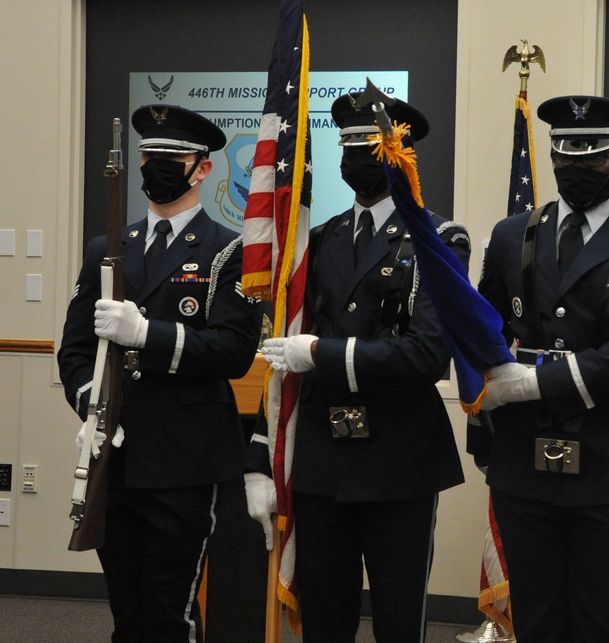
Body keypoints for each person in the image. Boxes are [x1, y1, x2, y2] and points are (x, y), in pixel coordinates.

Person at [244, 93, 468, 643]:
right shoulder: (319, 241)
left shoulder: (439, 239)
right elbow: (283, 352)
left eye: (368, 146)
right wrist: (259, 451)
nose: (355, 160)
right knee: (323, 619)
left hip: (398, 455)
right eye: (346, 146)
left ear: (400, 151)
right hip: (323, 456)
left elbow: (427, 353)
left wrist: (323, 353)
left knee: (398, 618)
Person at [471, 95, 609, 643]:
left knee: (601, 622)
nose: (577, 168)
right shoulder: (511, 235)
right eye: (565, 156)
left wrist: (536, 380)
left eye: (593, 156)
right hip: (524, 459)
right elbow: (482, 331)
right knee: (537, 620)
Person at [58, 104, 264, 643]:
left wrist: (148, 334)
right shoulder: (107, 249)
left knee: (170, 614)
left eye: (173, 158)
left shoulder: (231, 250)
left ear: (203, 169)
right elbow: (75, 352)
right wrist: (92, 407)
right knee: (126, 612)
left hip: (185, 459)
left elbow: (233, 351)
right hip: (117, 457)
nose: (157, 167)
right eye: (150, 156)